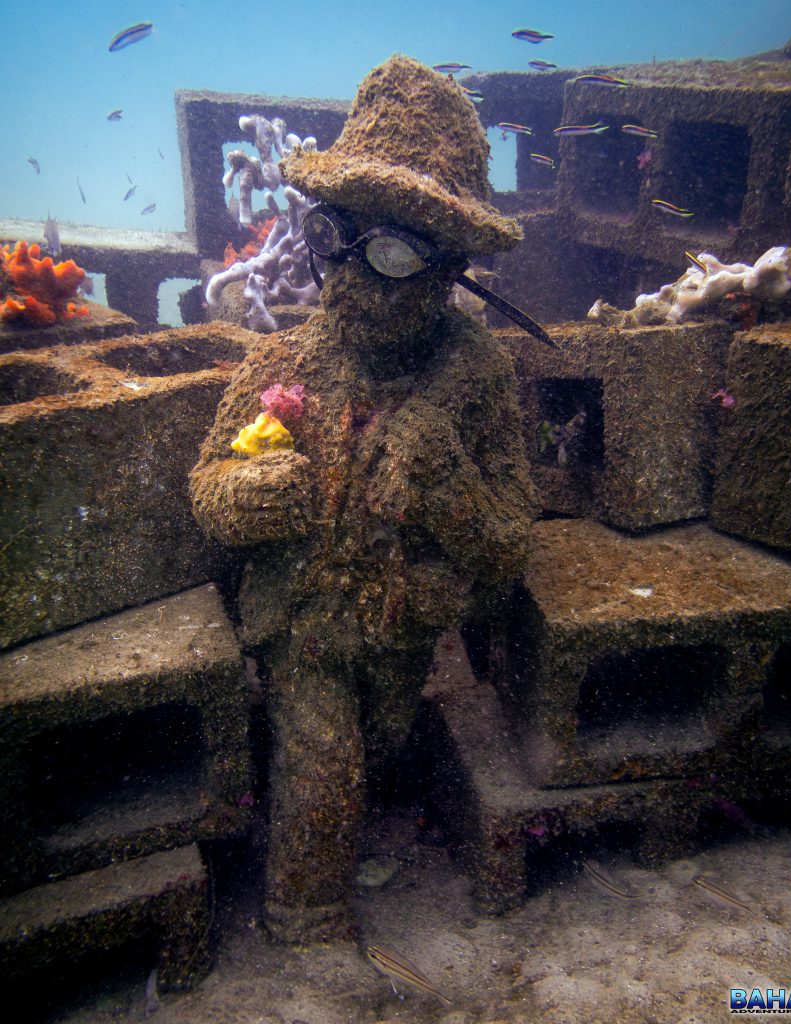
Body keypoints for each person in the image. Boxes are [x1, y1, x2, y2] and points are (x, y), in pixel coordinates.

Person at [189, 54, 540, 942]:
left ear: (446, 265)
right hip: (301, 620)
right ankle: (305, 918)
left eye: (387, 253)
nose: (344, 277)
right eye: (330, 239)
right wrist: (251, 491)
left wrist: (444, 480)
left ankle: (351, 809)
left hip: (402, 622)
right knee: (327, 760)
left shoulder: (476, 377)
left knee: (380, 738)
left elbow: (505, 542)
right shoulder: (282, 361)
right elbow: (208, 487)